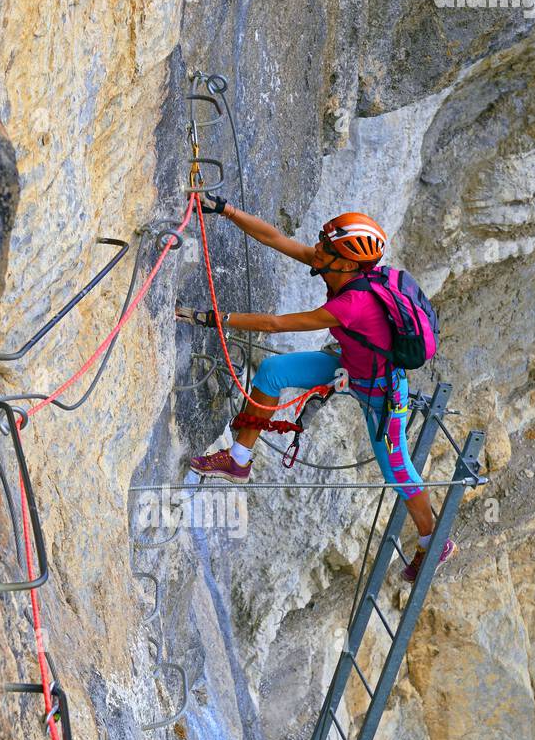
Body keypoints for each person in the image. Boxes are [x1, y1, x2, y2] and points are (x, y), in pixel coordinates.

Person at [175, 199, 455, 582]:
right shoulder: (337, 268)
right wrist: (223, 209)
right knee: (272, 372)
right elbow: (275, 239)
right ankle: (238, 458)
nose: (316, 249)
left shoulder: (354, 302)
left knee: (398, 471)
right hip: (349, 366)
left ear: (345, 262)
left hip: (381, 392)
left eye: (325, 247)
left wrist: (210, 319)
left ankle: (432, 542)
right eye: (323, 243)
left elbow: (275, 324)